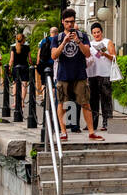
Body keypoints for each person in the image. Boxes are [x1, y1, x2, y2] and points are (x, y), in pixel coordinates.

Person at [51, 9, 98, 140]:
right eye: (67, 22)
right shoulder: (57, 38)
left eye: (72, 22)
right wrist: (64, 42)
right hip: (63, 75)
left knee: (85, 103)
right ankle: (63, 131)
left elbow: (88, 54)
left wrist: (78, 41)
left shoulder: (83, 36)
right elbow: (54, 55)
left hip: (80, 74)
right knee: (62, 104)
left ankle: (91, 132)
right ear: (62, 22)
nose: (70, 25)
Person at [87, 21, 116, 134]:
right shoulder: (90, 44)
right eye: (94, 33)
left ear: (102, 32)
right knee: (93, 100)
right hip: (92, 75)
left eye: (98, 32)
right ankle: (93, 123)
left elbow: (114, 57)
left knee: (106, 99)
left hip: (105, 74)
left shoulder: (107, 42)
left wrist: (105, 54)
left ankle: (107, 123)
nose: (96, 34)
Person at [8, 31, 31, 106]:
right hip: (24, 67)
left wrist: (9, 67)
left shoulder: (13, 48)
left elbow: (11, 59)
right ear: (23, 39)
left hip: (15, 68)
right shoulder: (27, 47)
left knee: (15, 84)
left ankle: (15, 102)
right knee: (24, 84)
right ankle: (22, 102)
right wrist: (32, 65)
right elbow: (30, 60)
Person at [36, 27, 59, 98]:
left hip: (44, 63)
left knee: (44, 82)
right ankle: (52, 99)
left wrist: (38, 63)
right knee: (53, 82)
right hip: (53, 63)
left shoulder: (44, 40)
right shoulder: (57, 41)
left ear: (50, 32)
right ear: (57, 33)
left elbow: (39, 53)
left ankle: (44, 98)